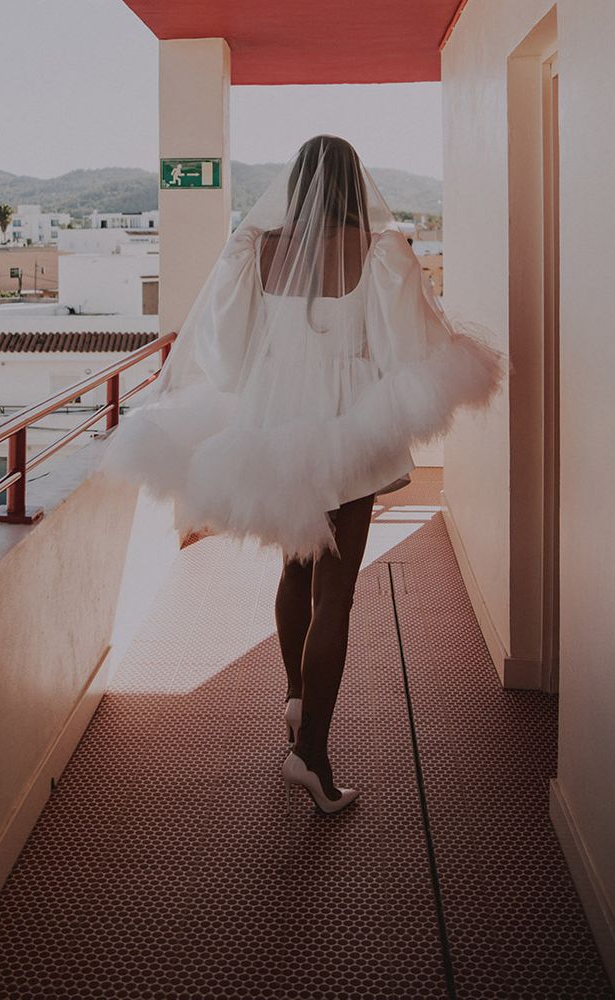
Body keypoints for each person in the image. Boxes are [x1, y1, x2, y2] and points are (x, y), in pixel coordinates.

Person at [100, 135, 503, 815]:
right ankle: (312, 753)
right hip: (349, 429)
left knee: (294, 571)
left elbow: (226, 353)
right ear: (354, 183)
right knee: (335, 594)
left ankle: (294, 699)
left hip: (274, 427)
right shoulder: (381, 252)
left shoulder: (254, 249)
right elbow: (407, 349)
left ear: (295, 184)